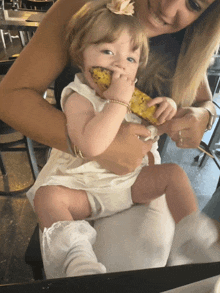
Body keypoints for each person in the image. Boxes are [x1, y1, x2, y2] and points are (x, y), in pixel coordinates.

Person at [0, 0, 220, 276]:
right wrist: (108, 139)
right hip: (77, 173)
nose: (168, 8)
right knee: (49, 202)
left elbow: (202, 101)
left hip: (134, 177)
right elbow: (9, 97)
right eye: (106, 51)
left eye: (193, 4)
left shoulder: (190, 40)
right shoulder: (81, 82)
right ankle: (78, 260)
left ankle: (191, 234)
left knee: (139, 265)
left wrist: (199, 115)